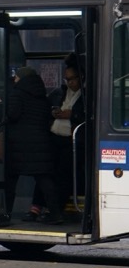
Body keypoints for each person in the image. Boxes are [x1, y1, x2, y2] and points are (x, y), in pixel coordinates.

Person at [4, 66, 64, 223]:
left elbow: (12, 115)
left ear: (21, 79)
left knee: (10, 181)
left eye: (16, 77)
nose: (14, 80)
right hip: (41, 144)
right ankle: (56, 214)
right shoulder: (42, 97)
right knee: (44, 179)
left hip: (19, 145)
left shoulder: (17, 94)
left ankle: (5, 214)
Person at [49, 54, 85, 212]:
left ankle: (57, 209)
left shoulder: (85, 93)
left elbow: (85, 113)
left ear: (81, 77)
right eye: (67, 80)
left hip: (72, 140)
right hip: (56, 137)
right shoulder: (63, 92)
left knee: (65, 175)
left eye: (72, 79)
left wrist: (70, 114)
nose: (70, 83)